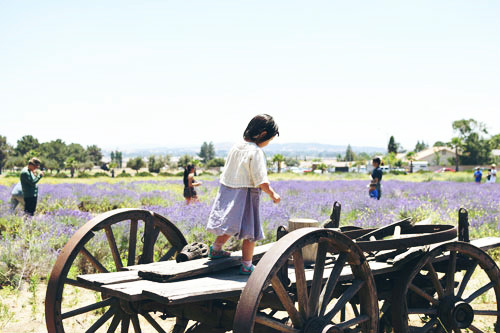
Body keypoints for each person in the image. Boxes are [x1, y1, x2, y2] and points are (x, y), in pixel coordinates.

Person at [206, 114, 281, 275]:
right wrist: (273, 194)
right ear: (263, 134)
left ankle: (216, 249)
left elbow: (227, 170)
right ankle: (247, 265)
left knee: (229, 223)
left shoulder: (236, 147)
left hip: (228, 189)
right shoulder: (256, 152)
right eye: (269, 139)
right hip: (247, 193)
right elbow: (261, 180)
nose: (268, 143)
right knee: (250, 231)